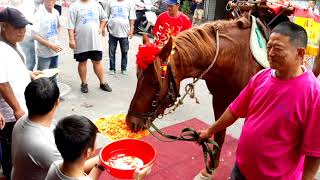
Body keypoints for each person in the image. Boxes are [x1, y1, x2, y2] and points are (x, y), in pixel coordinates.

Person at [195, 21, 320, 180]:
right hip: (241, 169)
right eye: (269, 47)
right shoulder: (261, 77)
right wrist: (210, 131)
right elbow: (234, 110)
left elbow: (315, 151)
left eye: (278, 49)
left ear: (300, 53)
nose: (271, 53)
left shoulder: (313, 95)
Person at [11, 78, 99, 180]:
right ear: (57, 103)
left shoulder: (22, 120)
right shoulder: (44, 145)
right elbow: (73, 169)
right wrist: (101, 159)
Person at [0, 7, 34, 179]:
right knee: (10, 146)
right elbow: (2, 83)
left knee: (19, 145)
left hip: (22, 105)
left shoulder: (13, 43)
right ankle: (9, 173)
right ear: (4, 26)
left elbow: (13, 68)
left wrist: (29, 73)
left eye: (24, 27)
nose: (23, 31)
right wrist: (17, 109)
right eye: (18, 28)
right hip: (11, 113)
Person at [67, 0, 112, 93]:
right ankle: (84, 83)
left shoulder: (96, 5)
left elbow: (104, 18)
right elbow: (70, 25)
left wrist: (101, 28)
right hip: (80, 40)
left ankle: (103, 83)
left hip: (95, 41)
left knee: (97, 62)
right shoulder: (74, 6)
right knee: (82, 62)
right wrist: (71, 39)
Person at [105, 0, 136, 75]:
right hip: (112, 31)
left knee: (124, 51)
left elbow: (132, 17)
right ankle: (112, 68)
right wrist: (103, 28)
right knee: (111, 51)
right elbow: (105, 15)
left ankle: (124, 68)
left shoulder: (130, 3)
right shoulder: (110, 2)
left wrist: (131, 29)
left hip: (124, 32)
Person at [33, 0, 62, 73]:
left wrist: (57, 40)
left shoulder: (56, 12)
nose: (50, 1)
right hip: (44, 52)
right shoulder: (39, 14)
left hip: (55, 50)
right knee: (42, 77)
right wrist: (50, 45)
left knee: (54, 75)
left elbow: (58, 26)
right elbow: (34, 35)